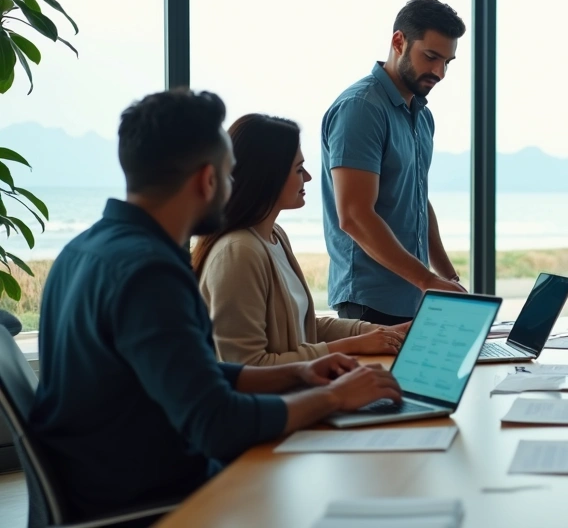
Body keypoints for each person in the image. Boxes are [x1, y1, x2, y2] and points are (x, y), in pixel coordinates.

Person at [28, 90, 403, 520]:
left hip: (104, 479)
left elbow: (188, 374)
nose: (231, 189)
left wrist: (297, 372)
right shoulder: (150, 274)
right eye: (228, 176)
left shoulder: (85, 250)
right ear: (208, 181)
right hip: (149, 500)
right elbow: (218, 425)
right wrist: (333, 398)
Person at [194, 114, 411, 366]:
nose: (307, 177)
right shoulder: (238, 252)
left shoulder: (275, 236)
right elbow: (247, 366)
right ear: (268, 175)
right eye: (299, 169)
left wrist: (377, 331)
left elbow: (302, 325)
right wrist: (351, 345)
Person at [322, 0, 467, 326]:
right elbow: (354, 216)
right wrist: (428, 280)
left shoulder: (422, 117)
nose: (439, 72)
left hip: (414, 297)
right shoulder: (361, 108)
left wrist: (447, 277)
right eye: (431, 57)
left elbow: (416, 200)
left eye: (447, 62)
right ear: (398, 42)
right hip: (369, 303)